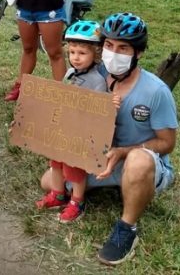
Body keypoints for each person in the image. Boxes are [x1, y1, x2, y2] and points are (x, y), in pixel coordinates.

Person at [40, 12, 179, 265]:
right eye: (108, 45)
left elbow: (167, 143)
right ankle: (104, 188)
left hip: (135, 159)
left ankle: (127, 228)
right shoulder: (91, 76)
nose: (113, 53)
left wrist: (123, 152)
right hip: (99, 155)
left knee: (138, 162)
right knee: (49, 182)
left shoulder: (156, 91)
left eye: (123, 48)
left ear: (138, 53)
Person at [35, 20, 121, 223]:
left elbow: (99, 111)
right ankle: (57, 194)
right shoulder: (69, 73)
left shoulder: (97, 81)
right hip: (64, 128)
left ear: (96, 54)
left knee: (74, 169)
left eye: (82, 53)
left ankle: (77, 201)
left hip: (81, 134)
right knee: (55, 162)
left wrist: (109, 105)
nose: (76, 58)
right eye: (72, 52)